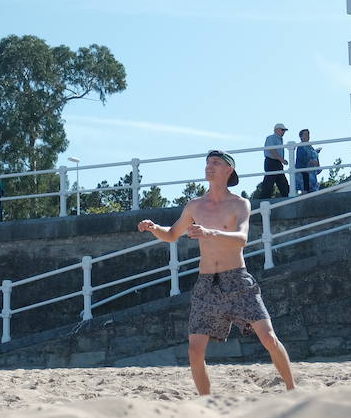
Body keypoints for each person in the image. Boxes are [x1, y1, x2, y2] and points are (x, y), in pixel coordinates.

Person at [137, 150, 296, 394]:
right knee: (194, 351)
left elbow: (241, 239)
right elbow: (171, 235)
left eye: (216, 163)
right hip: (206, 283)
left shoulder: (240, 204)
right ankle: (206, 403)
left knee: (269, 339)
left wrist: (211, 233)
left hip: (238, 280)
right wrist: (154, 228)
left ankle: (292, 390)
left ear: (228, 170)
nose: (209, 167)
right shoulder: (194, 205)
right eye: (207, 163)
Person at [262, 125, 291, 199]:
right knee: (269, 182)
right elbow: (272, 150)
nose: (284, 132)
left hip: (276, 162)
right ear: (276, 130)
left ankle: (286, 197)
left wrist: (281, 160)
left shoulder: (279, 139)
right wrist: (282, 160)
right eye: (282, 130)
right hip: (272, 162)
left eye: (284, 130)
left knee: (281, 182)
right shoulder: (271, 138)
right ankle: (264, 199)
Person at [294, 129, 320, 194]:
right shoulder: (300, 146)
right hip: (303, 172)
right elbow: (301, 158)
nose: (308, 136)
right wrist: (310, 161)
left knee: (312, 190)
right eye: (305, 134)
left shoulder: (310, 147)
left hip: (311, 172)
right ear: (301, 137)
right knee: (305, 189)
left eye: (308, 134)